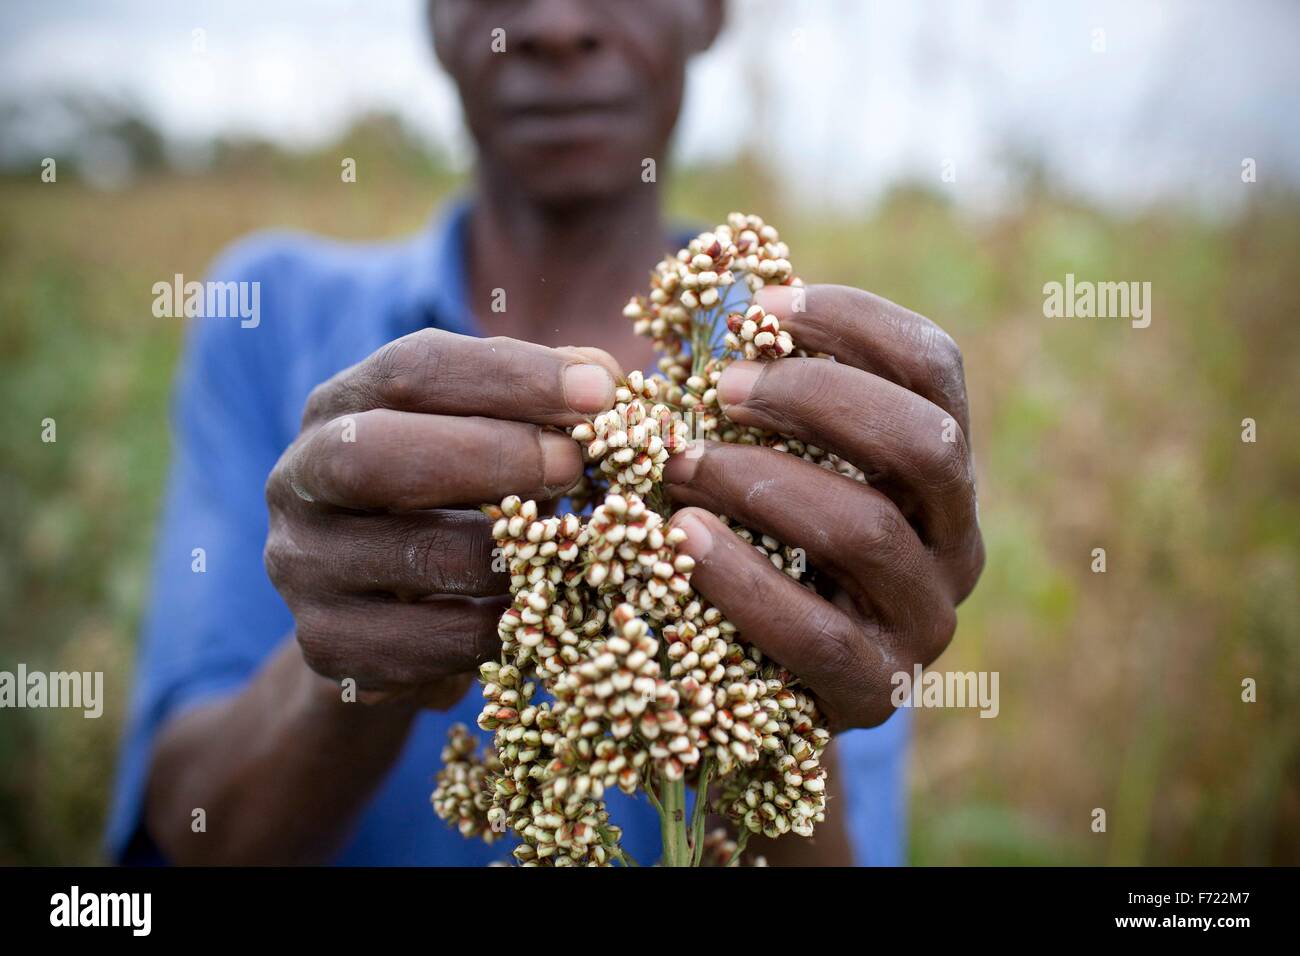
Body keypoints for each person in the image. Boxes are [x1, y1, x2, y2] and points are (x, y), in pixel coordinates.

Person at [107, 0, 983, 866]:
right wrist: (349, 662)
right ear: (434, 20)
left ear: (711, 13)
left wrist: (780, 692)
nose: (556, 23)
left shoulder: (821, 395)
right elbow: (188, 833)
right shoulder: (269, 315)